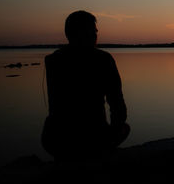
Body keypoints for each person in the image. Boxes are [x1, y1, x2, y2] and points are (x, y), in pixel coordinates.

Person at [41, 10, 130, 160]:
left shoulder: (54, 60)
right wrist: (113, 130)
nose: (95, 35)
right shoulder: (103, 60)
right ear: (75, 33)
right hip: (92, 138)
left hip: (57, 140)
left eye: (95, 32)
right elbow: (117, 104)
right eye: (91, 31)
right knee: (124, 128)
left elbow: (55, 106)